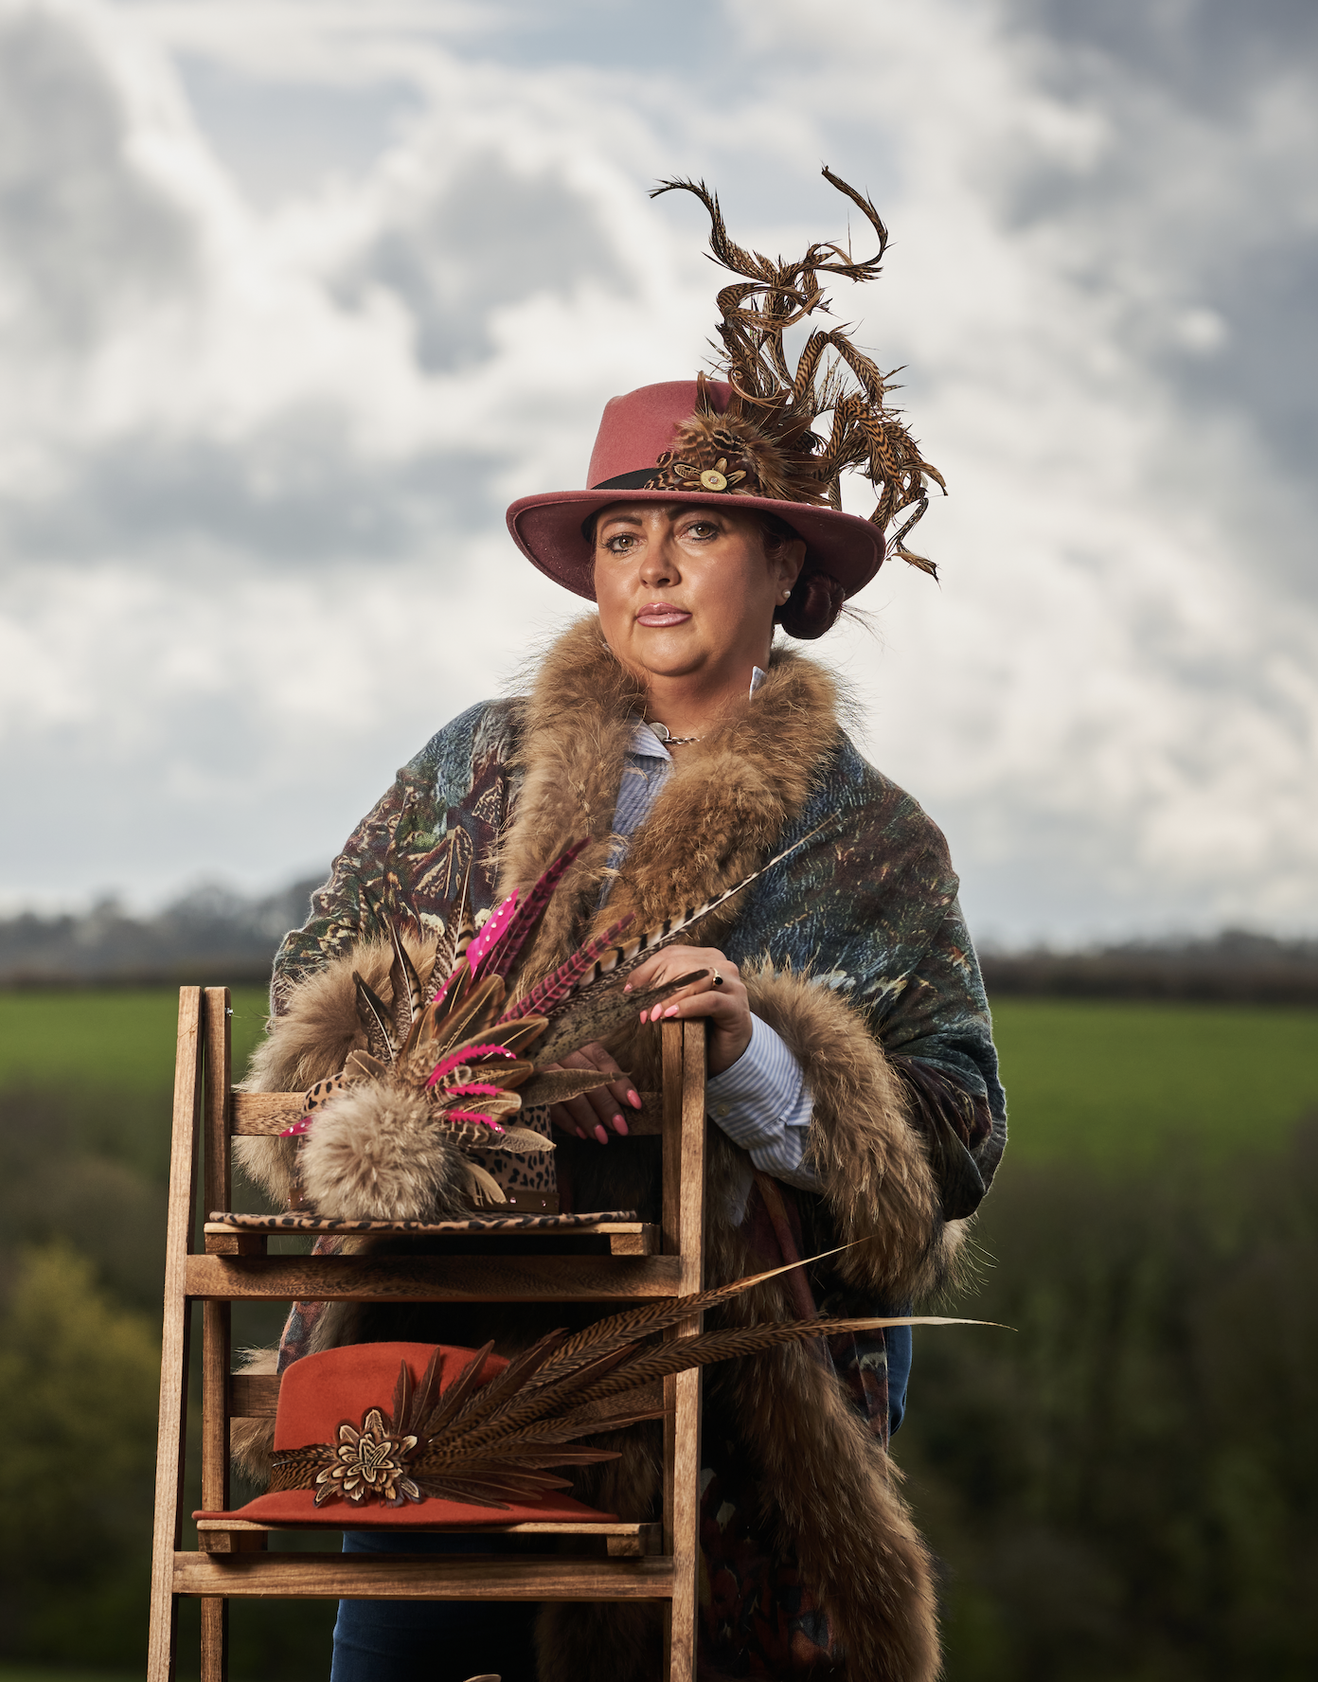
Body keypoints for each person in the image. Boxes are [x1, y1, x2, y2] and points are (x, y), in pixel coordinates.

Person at [235, 174, 1007, 1682]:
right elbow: (305, 990)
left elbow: (956, 1136)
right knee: (399, 1653)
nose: (650, 566)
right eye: (621, 532)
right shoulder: (470, 764)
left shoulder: (875, 840)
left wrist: (759, 1058)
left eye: (699, 527)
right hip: (449, 1361)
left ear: (784, 566)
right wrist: (479, 1049)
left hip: (733, 1405)